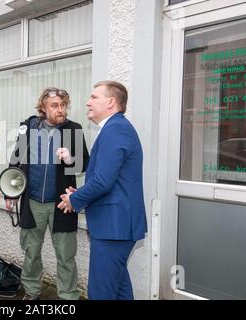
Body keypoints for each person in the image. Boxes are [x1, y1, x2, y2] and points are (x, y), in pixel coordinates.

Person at [57, 81, 148, 300]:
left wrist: (74, 199)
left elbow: (103, 181)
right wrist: (77, 194)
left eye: (94, 97)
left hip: (113, 227)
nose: (88, 102)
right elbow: (106, 177)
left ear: (111, 102)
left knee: (101, 292)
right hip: (115, 226)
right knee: (119, 289)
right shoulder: (115, 128)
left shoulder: (115, 130)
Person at [6, 87, 89, 300]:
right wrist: (11, 192)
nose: (60, 109)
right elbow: (16, 159)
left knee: (65, 255)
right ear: (43, 107)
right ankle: (32, 291)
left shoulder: (74, 129)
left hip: (62, 203)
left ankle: (68, 296)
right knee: (31, 253)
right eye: (55, 105)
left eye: (63, 105)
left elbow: (87, 164)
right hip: (32, 201)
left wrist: (71, 160)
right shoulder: (29, 127)